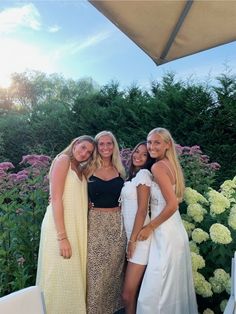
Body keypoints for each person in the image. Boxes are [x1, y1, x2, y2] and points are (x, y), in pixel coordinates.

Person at [137, 128, 198, 314]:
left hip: (165, 233)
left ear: (167, 144)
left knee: (155, 290)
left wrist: (149, 227)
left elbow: (172, 205)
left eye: (157, 142)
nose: (151, 146)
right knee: (171, 289)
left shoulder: (158, 167)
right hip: (174, 230)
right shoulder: (170, 165)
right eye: (149, 142)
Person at [36, 135, 96, 314]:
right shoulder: (63, 161)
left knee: (71, 277)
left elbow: (72, 195)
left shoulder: (80, 169)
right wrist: (62, 237)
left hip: (75, 228)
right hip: (60, 228)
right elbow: (55, 198)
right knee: (58, 275)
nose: (84, 153)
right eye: (83, 147)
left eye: (89, 152)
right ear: (75, 143)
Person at [87, 130, 127, 314]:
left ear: (114, 146)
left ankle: (112, 310)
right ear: (96, 147)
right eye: (101, 144)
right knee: (94, 273)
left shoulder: (121, 170)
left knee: (114, 272)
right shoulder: (87, 169)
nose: (105, 147)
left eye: (109, 143)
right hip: (94, 224)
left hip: (117, 226)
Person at [120, 141, 154, 314]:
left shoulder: (144, 175)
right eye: (136, 152)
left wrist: (132, 241)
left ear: (149, 159)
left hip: (139, 239)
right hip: (132, 236)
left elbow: (142, 210)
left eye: (144, 154)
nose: (138, 156)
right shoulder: (134, 177)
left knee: (127, 295)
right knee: (132, 294)